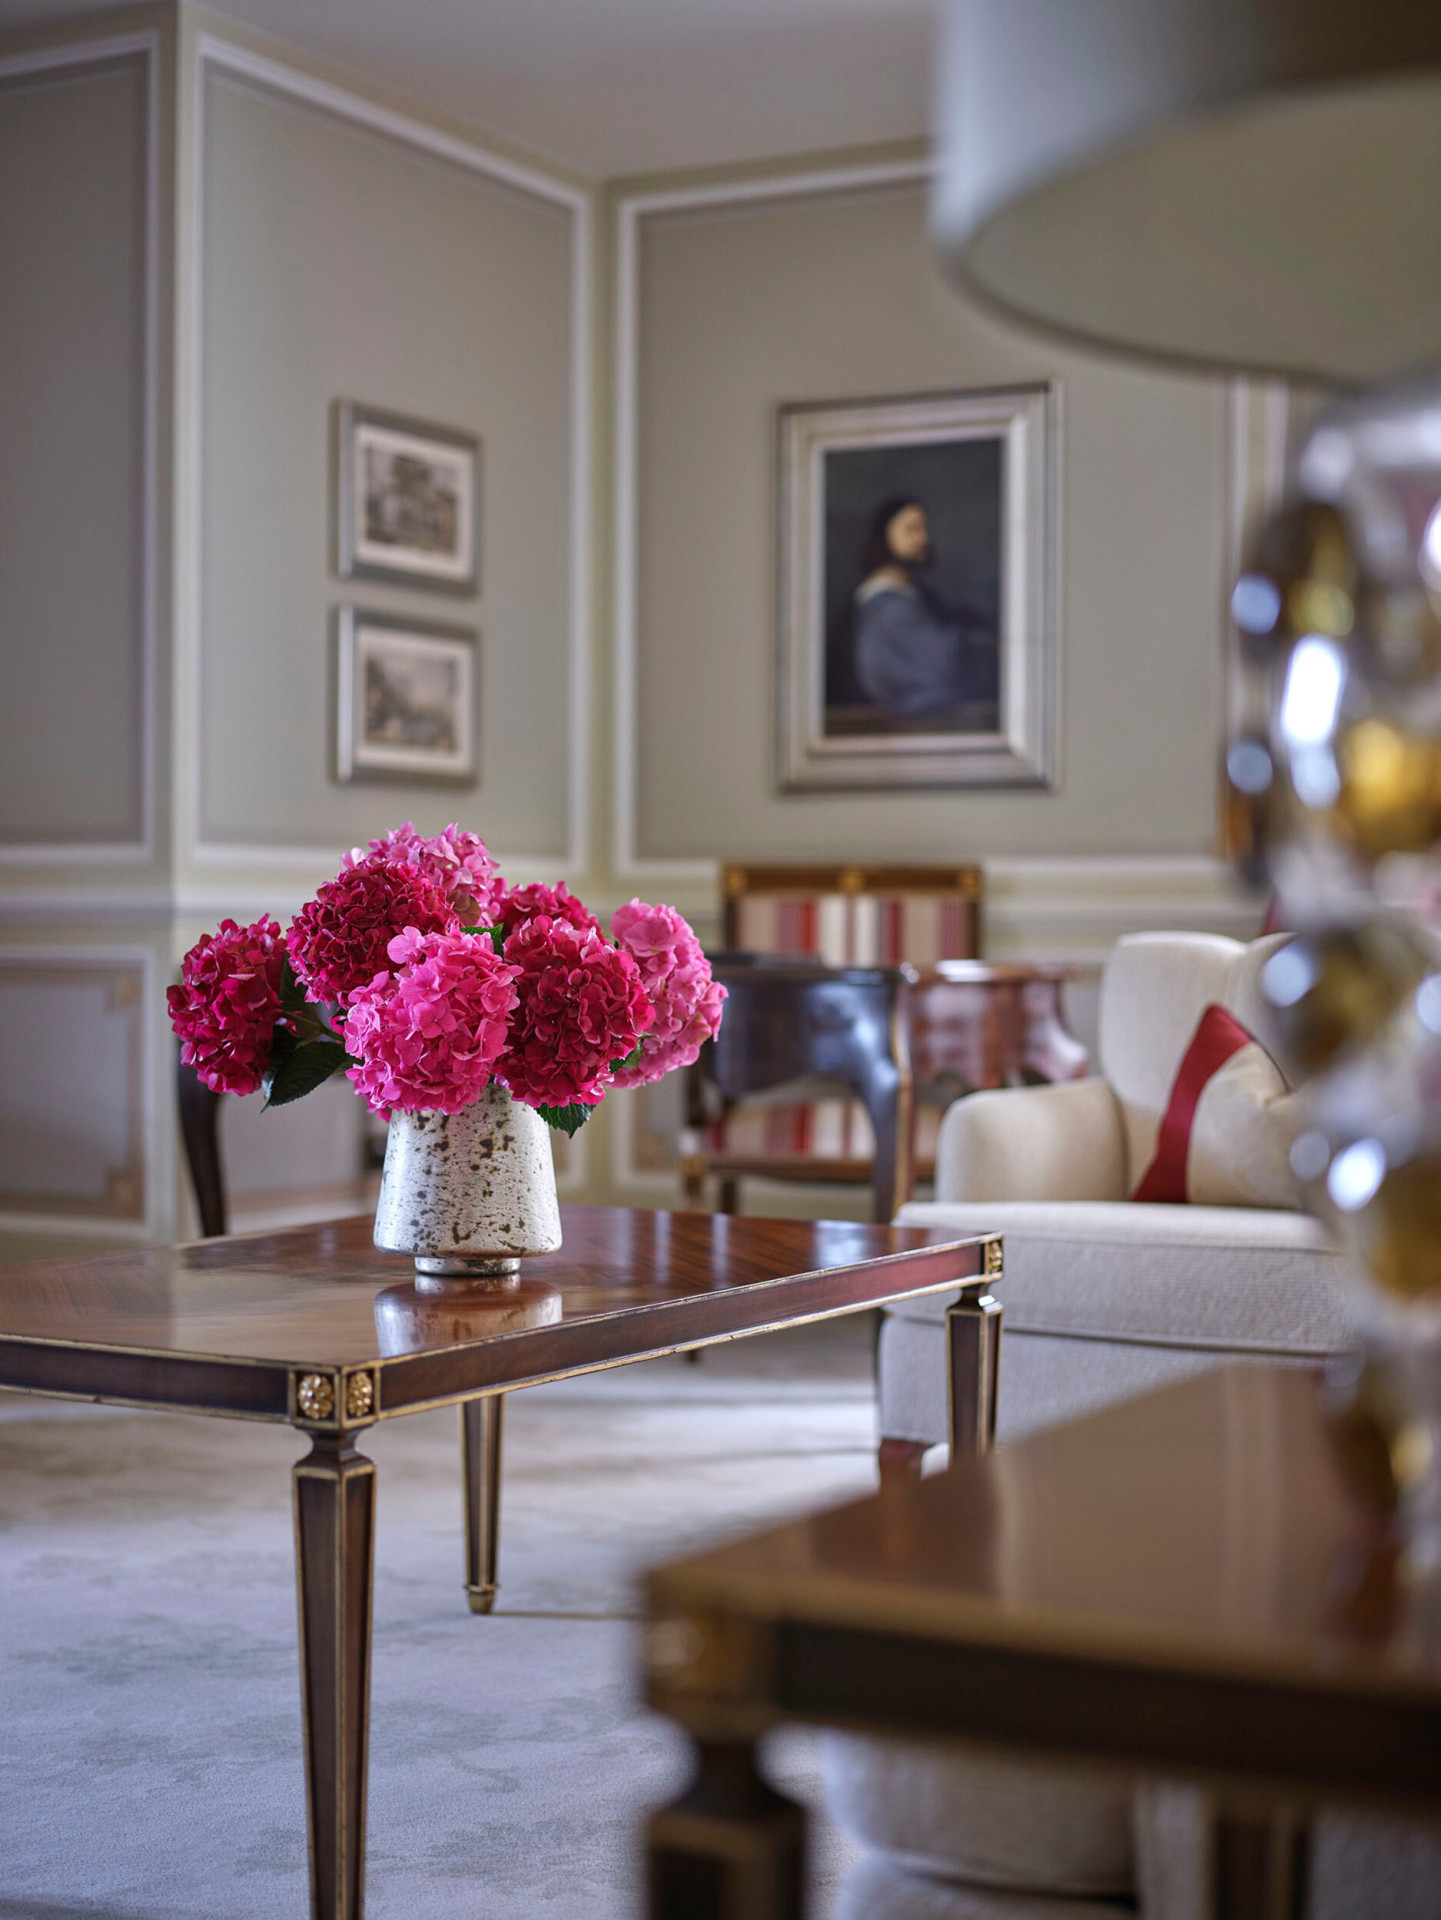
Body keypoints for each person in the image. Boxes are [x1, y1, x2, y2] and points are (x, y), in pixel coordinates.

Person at [849, 497, 996, 722]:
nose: (923, 539)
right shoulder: (889, 608)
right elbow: (946, 664)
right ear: (884, 535)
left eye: (923, 529)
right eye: (911, 529)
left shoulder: (913, 596)